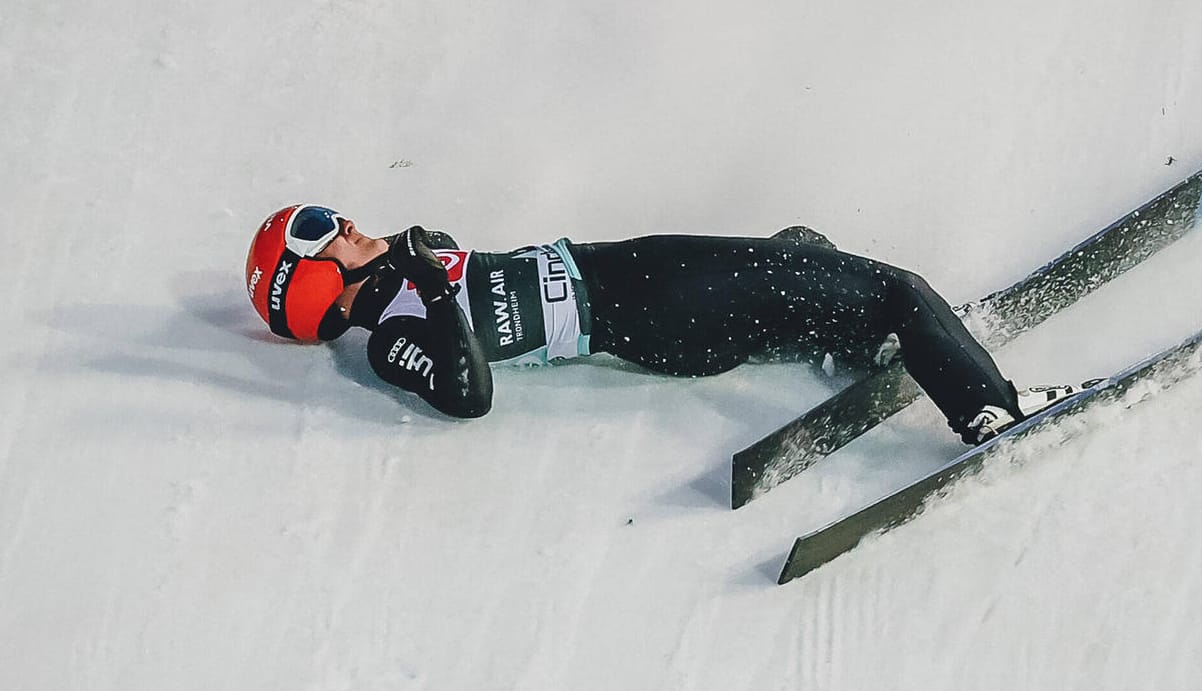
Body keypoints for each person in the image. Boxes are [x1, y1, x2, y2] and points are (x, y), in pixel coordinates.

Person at [243, 204, 1077, 442]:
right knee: (897, 287)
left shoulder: (404, 273)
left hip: (638, 276)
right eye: (320, 232)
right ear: (309, 283)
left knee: (797, 247)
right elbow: (467, 395)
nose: (345, 222)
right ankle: (987, 410)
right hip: (646, 309)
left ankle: (864, 346)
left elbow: (471, 274)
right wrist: (424, 282)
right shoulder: (392, 336)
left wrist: (422, 260)